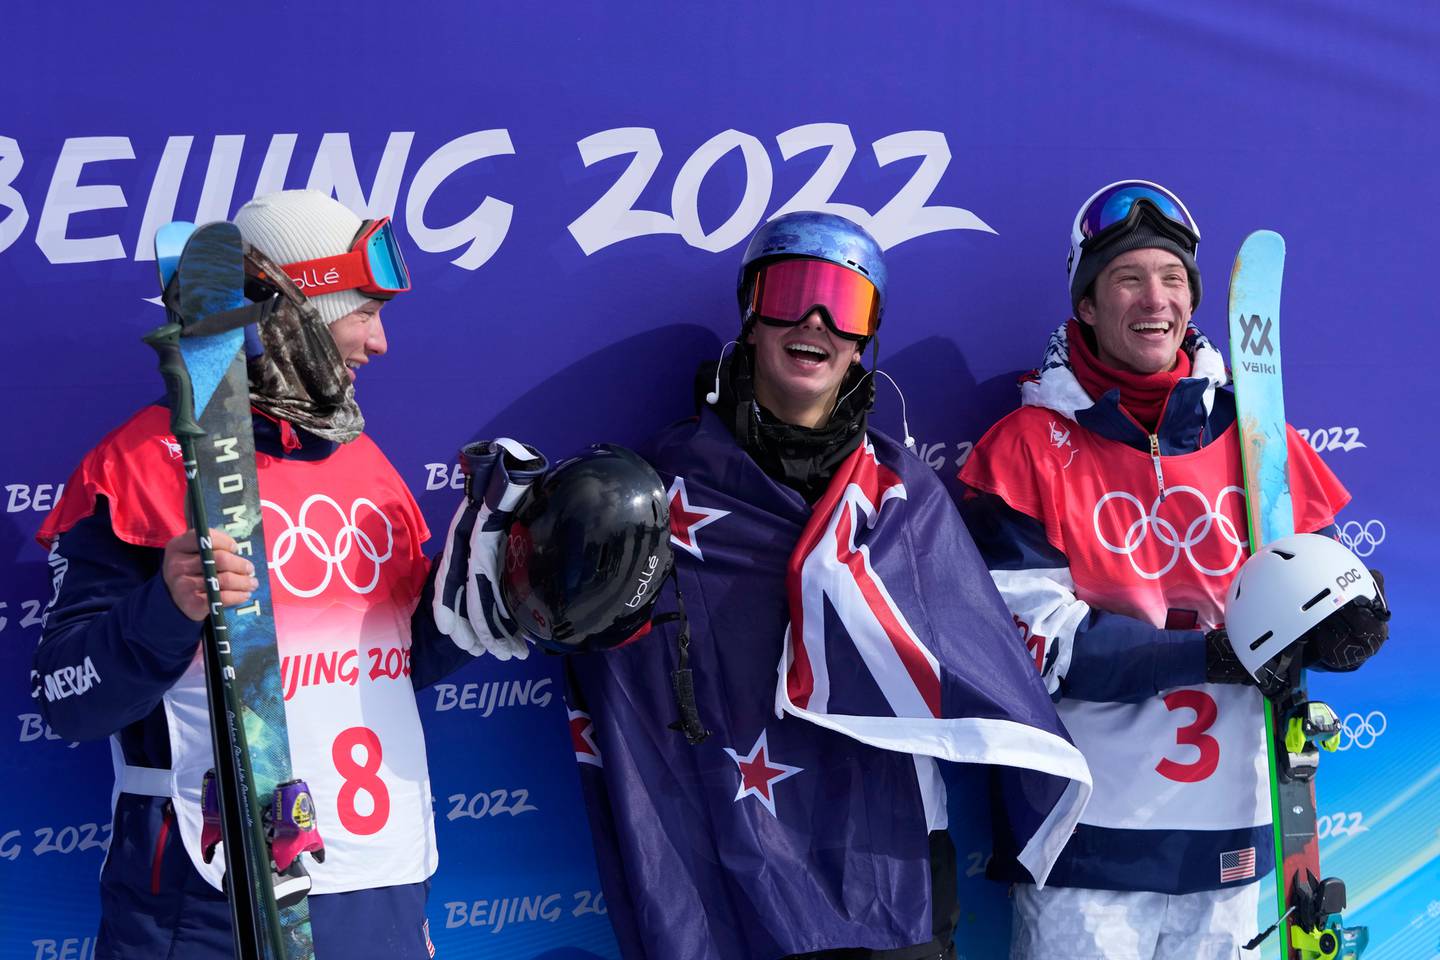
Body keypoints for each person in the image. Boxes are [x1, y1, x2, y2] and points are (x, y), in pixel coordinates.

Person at [550, 212, 1092, 960]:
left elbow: (975, 665)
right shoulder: (660, 491)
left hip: (892, 864)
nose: (816, 323)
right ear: (750, 308)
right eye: (793, 293)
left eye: (845, 305)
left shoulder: (904, 494)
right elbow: (620, 689)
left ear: (867, 336)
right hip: (738, 863)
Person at [31, 190, 486, 959]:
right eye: (365, 312)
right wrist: (166, 608)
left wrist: (486, 605)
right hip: (203, 903)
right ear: (299, 311)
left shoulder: (368, 467)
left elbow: (386, 672)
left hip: (376, 882)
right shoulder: (143, 467)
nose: (381, 343)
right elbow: (67, 698)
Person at [957, 180, 1388, 959]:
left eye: (1173, 278)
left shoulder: (1256, 434)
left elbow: (1321, 581)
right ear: (1086, 304)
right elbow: (1035, 649)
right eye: (1127, 279)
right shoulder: (1024, 448)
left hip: (1235, 838)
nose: (1154, 298)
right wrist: (1213, 655)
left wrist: (1350, 620)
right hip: (1086, 843)